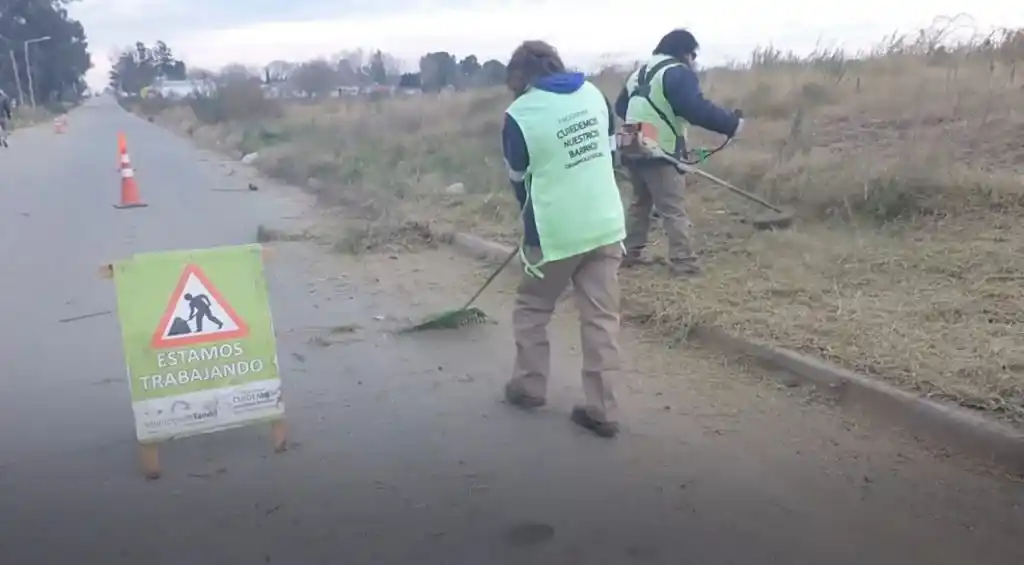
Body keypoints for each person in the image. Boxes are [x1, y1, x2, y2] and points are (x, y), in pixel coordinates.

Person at [500, 40, 627, 438]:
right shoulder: (594, 94)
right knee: (601, 318)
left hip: (555, 232)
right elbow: (609, 154)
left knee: (533, 307)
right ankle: (602, 409)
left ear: (518, 78)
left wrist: (530, 227)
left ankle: (529, 387)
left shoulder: (518, 115)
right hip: (605, 222)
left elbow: (520, 182)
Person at [614, 29, 744, 277]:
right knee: (672, 207)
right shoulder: (676, 72)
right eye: (693, 55)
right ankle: (684, 263)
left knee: (640, 203)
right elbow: (695, 109)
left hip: (631, 144)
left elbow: (622, 107)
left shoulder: (639, 72)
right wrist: (731, 124)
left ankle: (629, 254)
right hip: (657, 149)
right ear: (685, 52)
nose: (693, 61)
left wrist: (643, 123)